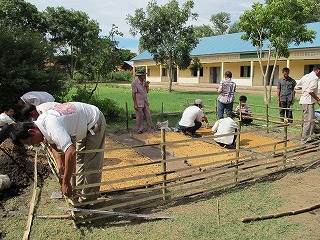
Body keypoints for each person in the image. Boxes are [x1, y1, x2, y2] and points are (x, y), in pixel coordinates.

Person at [1, 102, 106, 203]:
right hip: (82, 125)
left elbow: (71, 152)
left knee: (91, 162)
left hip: (93, 121)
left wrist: (65, 182)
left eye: (30, 141)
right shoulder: (42, 122)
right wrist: (62, 170)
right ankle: (78, 192)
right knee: (80, 160)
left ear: (32, 131)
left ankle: (88, 200)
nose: (34, 143)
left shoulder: (52, 126)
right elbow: (56, 147)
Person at [295, 65, 320, 144]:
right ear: (318, 71)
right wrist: (318, 99)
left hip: (303, 101)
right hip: (308, 102)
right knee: (308, 122)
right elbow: (310, 91)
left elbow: (297, 87)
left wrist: (305, 88)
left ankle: (308, 138)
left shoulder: (305, 76)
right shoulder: (315, 78)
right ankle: (304, 141)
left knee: (311, 121)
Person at [132, 69, 153, 134]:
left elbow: (146, 92)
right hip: (139, 102)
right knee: (139, 116)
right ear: (140, 76)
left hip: (145, 101)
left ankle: (150, 128)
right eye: (143, 75)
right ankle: (140, 129)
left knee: (148, 115)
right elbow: (133, 94)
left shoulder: (144, 82)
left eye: (144, 75)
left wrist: (147, 86)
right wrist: (135, 103)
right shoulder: (134, 83)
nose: (145, 76)